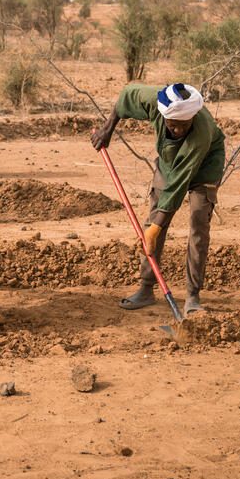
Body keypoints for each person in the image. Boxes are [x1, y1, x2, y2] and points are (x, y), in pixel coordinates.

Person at [90, 82, 226, 315]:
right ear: (163, 116)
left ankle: (192, 297)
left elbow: (179, 183)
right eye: (173, 126)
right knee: (155, 218)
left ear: (191, 117)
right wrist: (107, 129)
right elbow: (126, 96)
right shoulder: (156, 102)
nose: (178, 131)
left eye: (184, 126)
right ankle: (146, 287)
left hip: (205, 165)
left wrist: (156, 227)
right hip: (170, 161)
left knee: (198, 223)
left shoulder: (200, 132)